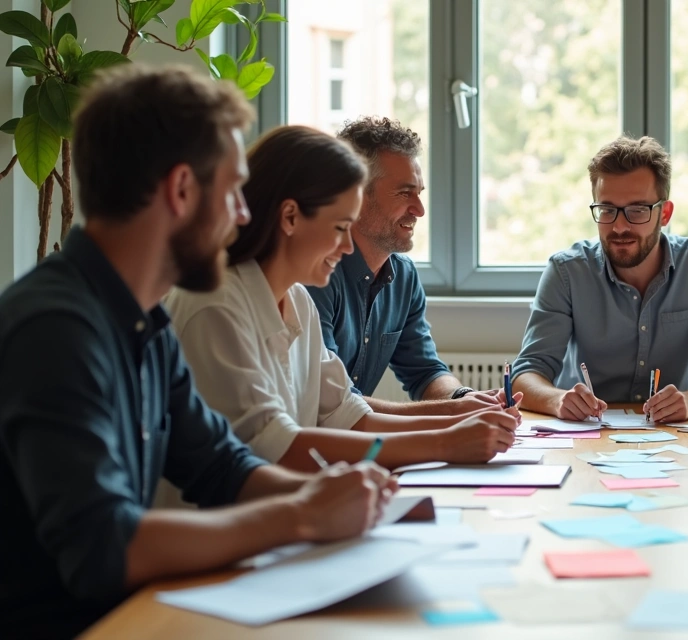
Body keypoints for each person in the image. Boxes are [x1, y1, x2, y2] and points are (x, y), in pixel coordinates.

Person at [0, 65, 394, 638]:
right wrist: (303, 515)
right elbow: (105, 545)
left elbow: (219, 465)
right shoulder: (55, 328)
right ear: (181, 190)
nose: (244, 214)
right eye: (233, 191)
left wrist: (329, 494)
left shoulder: (146, 321)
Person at [166, 126, 519, 473]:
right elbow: (276, 448)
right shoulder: (216, 305)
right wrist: (445, 442)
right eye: (339, 228)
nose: (348, 246)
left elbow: (349, 416)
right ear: (290, 217)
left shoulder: (298, 300)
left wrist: (458, 420)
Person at [512, 135, 688, 423]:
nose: (619, 226)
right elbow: (526, 373)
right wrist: (557, 400)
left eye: (637, 210)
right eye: (607, 210)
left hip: (676, 430)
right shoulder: (566, 272)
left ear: (665, 213)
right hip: (587, 430)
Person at [307, 117, 506, 415]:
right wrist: (445, 416)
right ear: (357, 196)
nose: (420, 210)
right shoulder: (316, 272)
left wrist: (464, 399)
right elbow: (330, 403)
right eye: (404, 193)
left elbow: (424, 371)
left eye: (419, 193)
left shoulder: (403, 276)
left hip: (357, 438)